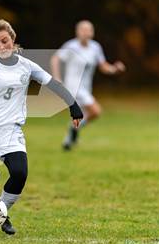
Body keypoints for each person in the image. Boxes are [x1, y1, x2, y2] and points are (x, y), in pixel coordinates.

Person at [0, 20, 84, 235]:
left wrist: (73, 105)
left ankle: (2, 212)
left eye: (4, 41)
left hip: (10, 130)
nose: (1, 46)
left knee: (19, 173)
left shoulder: (26, 65)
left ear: (12, 39)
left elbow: (52, 83)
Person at [50, 20, 125, 150]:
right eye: (83, 29)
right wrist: (56, 77)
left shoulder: (95, 47)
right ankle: (72, 130)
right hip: (73, 87)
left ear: (92, 32)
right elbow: (55, 58)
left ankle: (70, 137)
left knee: (84, 115)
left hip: (86, 87)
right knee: (95, 111)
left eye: (88, 30)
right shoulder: (71, 46)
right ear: (77, 32)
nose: (86, 32)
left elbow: (103, 66)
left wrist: (114, 69)